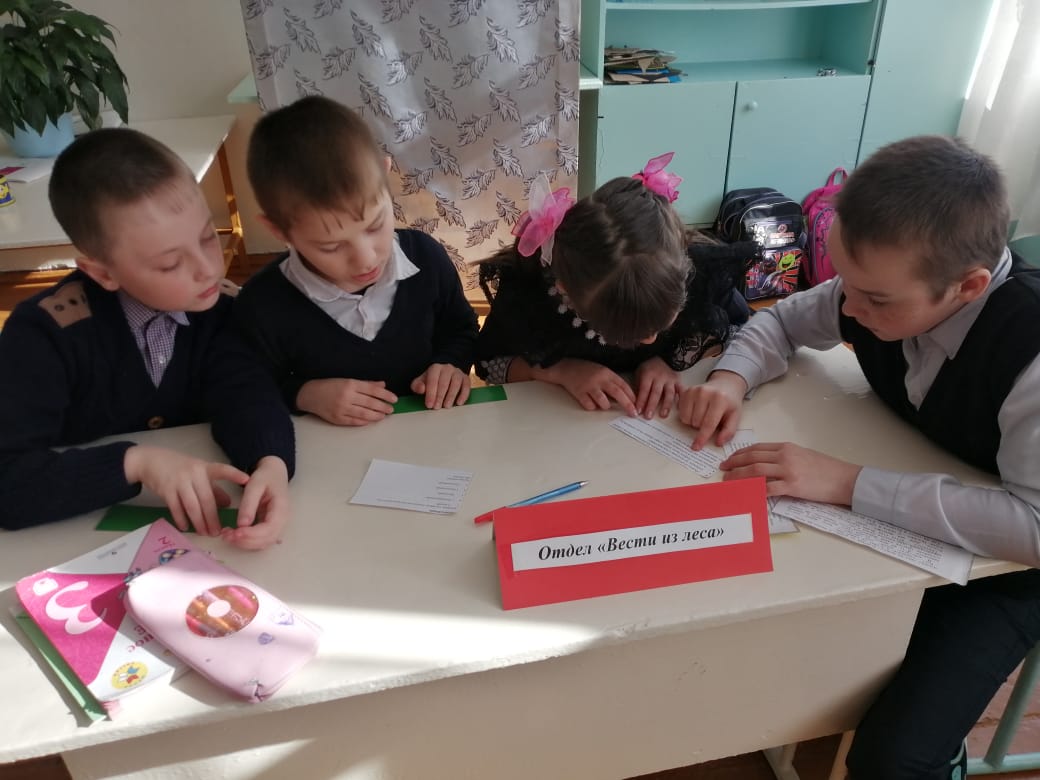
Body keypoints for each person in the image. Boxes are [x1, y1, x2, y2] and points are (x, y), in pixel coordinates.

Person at [677, 135, 1040, 779]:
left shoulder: (1028, 351)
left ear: (968, 287)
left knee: (895, 759)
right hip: (918, 511)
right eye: (845, 280)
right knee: (761, 625)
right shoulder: (879, 288)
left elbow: (1034, 528)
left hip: (1009, 570)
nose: (848, 307)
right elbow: (781, 321)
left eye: (875, 299)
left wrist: (847, 483)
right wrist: (730, 378)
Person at [0, 128, 296, 551]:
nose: (208, 270)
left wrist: (271, 461)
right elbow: (9, 482)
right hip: (68, 545)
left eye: (207, 238)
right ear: (103, 273)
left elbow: (245, 391)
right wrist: (135, 462)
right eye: (171, 263)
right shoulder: (44, 336)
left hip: (194, 547)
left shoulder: (219, 309)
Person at [235, 96, 478, 426]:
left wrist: (451, 363)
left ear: (385, 173)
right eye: (331, 246)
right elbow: (244, 385)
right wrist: (302, 394)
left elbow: (461, 329)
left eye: (375, 226)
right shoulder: (262, 304)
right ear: (279, 231)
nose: (366, 259)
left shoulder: (426, 257)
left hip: (431, 433)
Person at [475, 153, 751, 419]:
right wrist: (559, 371)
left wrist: (669, 360)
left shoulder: (699, 273)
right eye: (628, 332)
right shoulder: (530, 292)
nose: (650, 341)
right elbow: (488, 364)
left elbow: (743, 331)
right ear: (566, 291)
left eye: (662, 325)